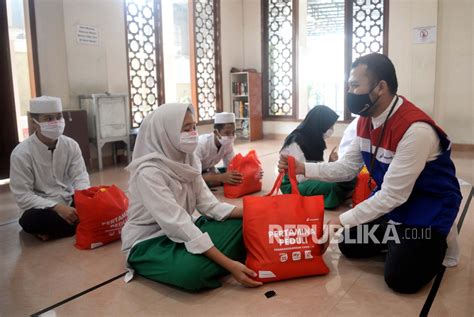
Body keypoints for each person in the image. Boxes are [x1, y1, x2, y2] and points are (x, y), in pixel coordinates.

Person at [278, 53, 462, 294]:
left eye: (355, 85)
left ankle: (431, 240)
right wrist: (304, 168)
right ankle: (399, 237)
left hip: (427, 207)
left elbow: (392, 196)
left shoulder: (415, 130)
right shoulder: (364, 122)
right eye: (348, 86)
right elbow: (346, 168)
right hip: (394, 205)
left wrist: (339, 220)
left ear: (380, 87)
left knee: (401, 278)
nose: (350, 92)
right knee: (349, 242)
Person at [121, 103, 262, 292]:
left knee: (242, 223)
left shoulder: (188, 159)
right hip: (150, 241)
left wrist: (255, 212)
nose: (193, 133)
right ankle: (218, 259)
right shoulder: (148, 173)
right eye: (186, 129)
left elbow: (209, 205)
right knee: (192, 273)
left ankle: (211, 259)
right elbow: (177, 224)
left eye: (194, 127)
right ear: (166, 133)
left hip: (188, 227)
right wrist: (230, 265)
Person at [10, 96, 90, 241]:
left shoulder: (71, 145)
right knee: (31, 221)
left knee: (95, 207)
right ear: (35, 123)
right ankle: (75, 226)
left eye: (59, 117)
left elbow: (80, 177)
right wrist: (57, 208)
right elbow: (23, 196)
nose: (56, 122)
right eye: (48, 118)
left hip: (69, 198)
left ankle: (56, 232)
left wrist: (84, 199)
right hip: (41, 207)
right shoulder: (21, 153)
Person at [279, 105, 356, 209]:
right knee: (332, 186)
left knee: (349, 176)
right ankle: (337, 197)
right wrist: (327, 176)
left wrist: (330, 163)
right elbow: (300, 177)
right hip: (294, 183)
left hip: (308, 176)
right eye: (330, 127)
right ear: (320, 124)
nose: (331, 130)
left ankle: (340, 195)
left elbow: (315, 167)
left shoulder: (315, 139)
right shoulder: (296, 142)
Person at [195, 112, 242, 187]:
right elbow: (194, 175)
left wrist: (251, 171)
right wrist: (220, 177)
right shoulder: (200, 144)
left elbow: (231, 165)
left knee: (229, 178)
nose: (231, 136)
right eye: (227, 133)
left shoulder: (227, 144)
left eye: (233, 132)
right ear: (216, 132)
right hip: (192, 172)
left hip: (208, 169)